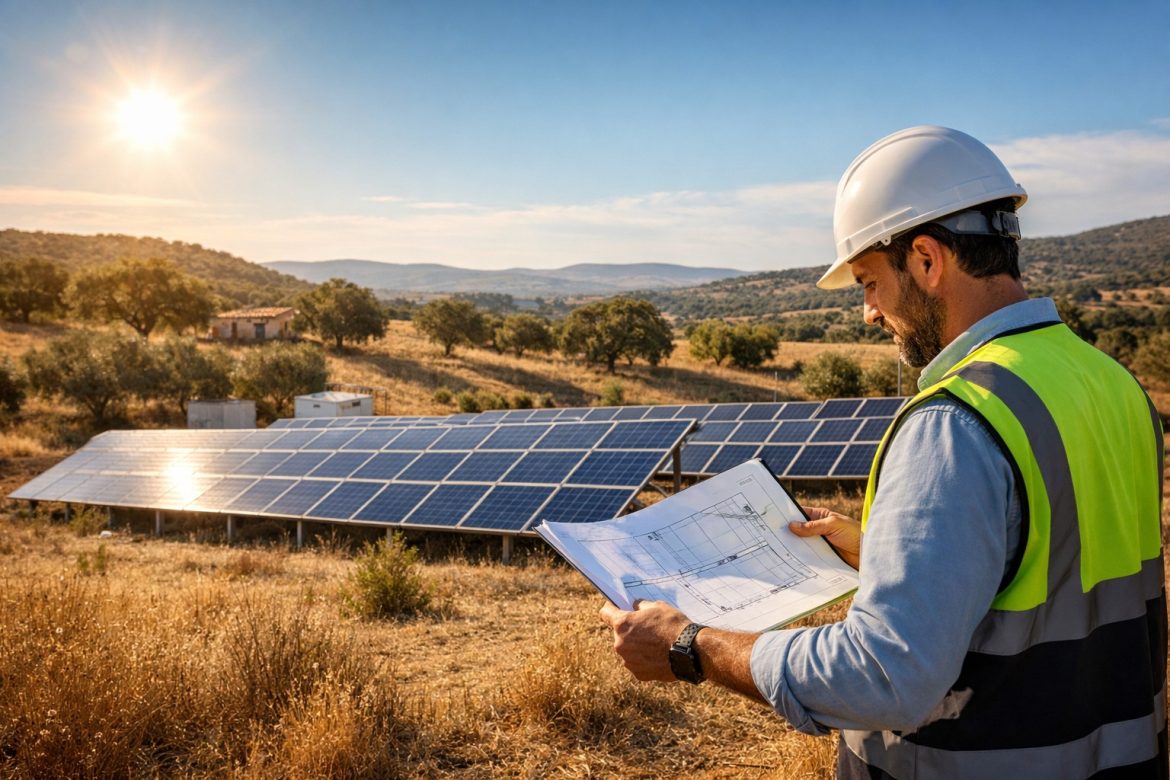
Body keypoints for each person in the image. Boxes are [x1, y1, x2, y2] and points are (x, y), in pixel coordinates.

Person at [599, 126, 1166, 778]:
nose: (868, 312)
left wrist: (690, 645)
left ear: (926, 260)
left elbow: (886, 674)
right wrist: (885, 555)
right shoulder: (1111, 383)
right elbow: (1057, 567)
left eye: (869, 281)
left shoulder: (956, 422)